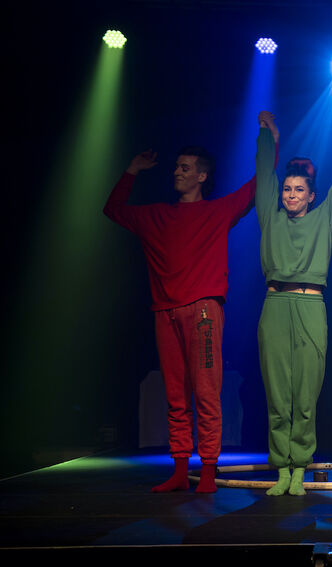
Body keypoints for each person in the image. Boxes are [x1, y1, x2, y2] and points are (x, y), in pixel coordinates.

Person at [104, 131, 263, 493]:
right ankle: (179, 471)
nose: (177, 171)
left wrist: (269, 140)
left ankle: (207, 472)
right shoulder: (156, 216)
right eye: (176, 166)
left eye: (185, 167)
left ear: (202, 176)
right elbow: (112, 210)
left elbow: (256, 187)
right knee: (175, 395)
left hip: (204, 310)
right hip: (165, 312)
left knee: (206, 392)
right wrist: (131, 170)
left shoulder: (217, 210)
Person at [255, 111, 332, 496]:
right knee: (278, 393)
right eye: (287, 189)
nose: (290, 195)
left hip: (310, 306)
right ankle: (281, 469)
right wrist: (267, 139)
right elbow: (263, 180)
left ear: (311, 195)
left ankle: (299, 467)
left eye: (298, 190)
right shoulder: (269, 219)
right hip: (275, 306)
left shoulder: (325, 218)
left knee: (305, 393)